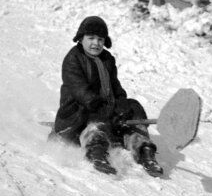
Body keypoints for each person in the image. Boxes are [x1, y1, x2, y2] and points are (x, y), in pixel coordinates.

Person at [50, 16, 163, 177]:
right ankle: (96, 150)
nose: (96, 43)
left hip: (106, 109)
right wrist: (98, 105)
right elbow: (78, 88)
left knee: (134, 106)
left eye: (100, 39)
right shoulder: (73, 59)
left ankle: (143, 148)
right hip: (78, 111)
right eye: (91, 38)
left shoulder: (107, 58)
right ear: (81, 38)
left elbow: (114, 85)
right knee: (95, 118)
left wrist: (121, 102)